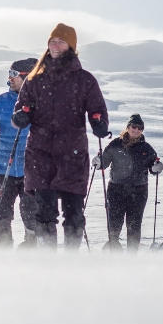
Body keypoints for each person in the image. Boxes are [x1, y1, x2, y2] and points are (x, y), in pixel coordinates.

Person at [12, 23, 109, 250]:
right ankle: (48, 264)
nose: (55, 45)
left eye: (61, 41)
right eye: (52, 41)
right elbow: (21, 108)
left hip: (72, 155)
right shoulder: (35, 80)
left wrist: (99, 122)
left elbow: (97, 108)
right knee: (45, 214)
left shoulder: (84, 80)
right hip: (41, 155)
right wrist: (20, 117)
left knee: (74, 213)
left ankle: (71, 263)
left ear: (71, 47)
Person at [0, 58, 39, 249]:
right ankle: (3, 255)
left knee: (31, 213)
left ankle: (32, 247)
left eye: (14, 75)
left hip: (32, 171)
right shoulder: (2, 101)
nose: (10, 78)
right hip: (4, 170)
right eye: (9, 74)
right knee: (2, 215)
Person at [93, 113, 163, 251]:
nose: (136, 129)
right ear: (128, 127)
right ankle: (113, 253)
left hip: (138, 191)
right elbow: (104, 162)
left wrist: (157, 168)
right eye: (134, 126)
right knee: (114, 224)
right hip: (116, 189)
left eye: (140, 127)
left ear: (142, 130)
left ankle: (132, 257)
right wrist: (98, 162)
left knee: (134, 225)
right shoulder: (115, 144)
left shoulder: (147, 148)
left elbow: (154, 166)